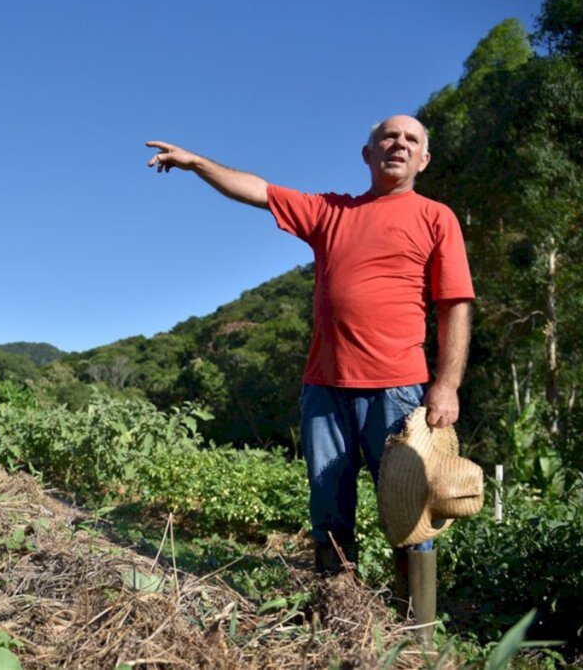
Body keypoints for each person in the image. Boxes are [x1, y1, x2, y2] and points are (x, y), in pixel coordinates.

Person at [145, 115, 474, 574]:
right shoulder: (330, 212)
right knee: (327, 510)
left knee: (411, 510)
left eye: (411, 139)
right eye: (388, 137)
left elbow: (454, 305)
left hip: (399, 391)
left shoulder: (436, 217)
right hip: (325, 390)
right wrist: (197, 162)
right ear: (368, 153)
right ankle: (339, 614)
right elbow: (259, 191)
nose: (399, 144)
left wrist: (448, 385)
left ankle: (413, 632)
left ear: (424, 158)